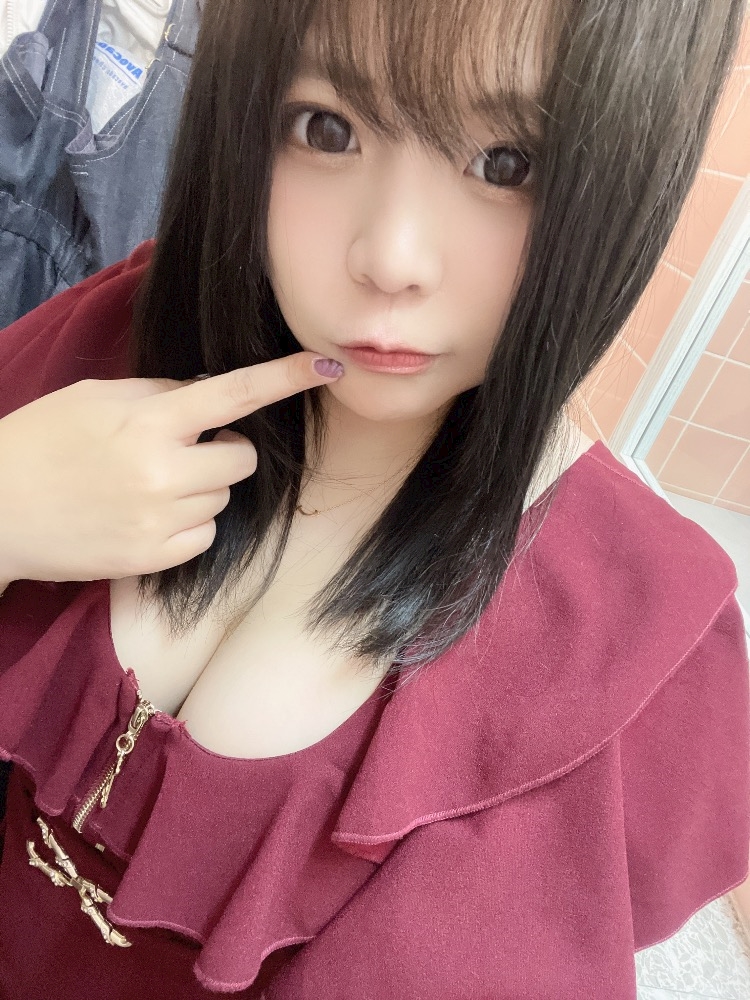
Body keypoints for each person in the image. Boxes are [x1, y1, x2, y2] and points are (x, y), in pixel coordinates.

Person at [0, 0, 748, 997]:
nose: (390, 258)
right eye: (326, 128)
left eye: (507, 163)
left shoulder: (647, 658)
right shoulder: (111, 342)